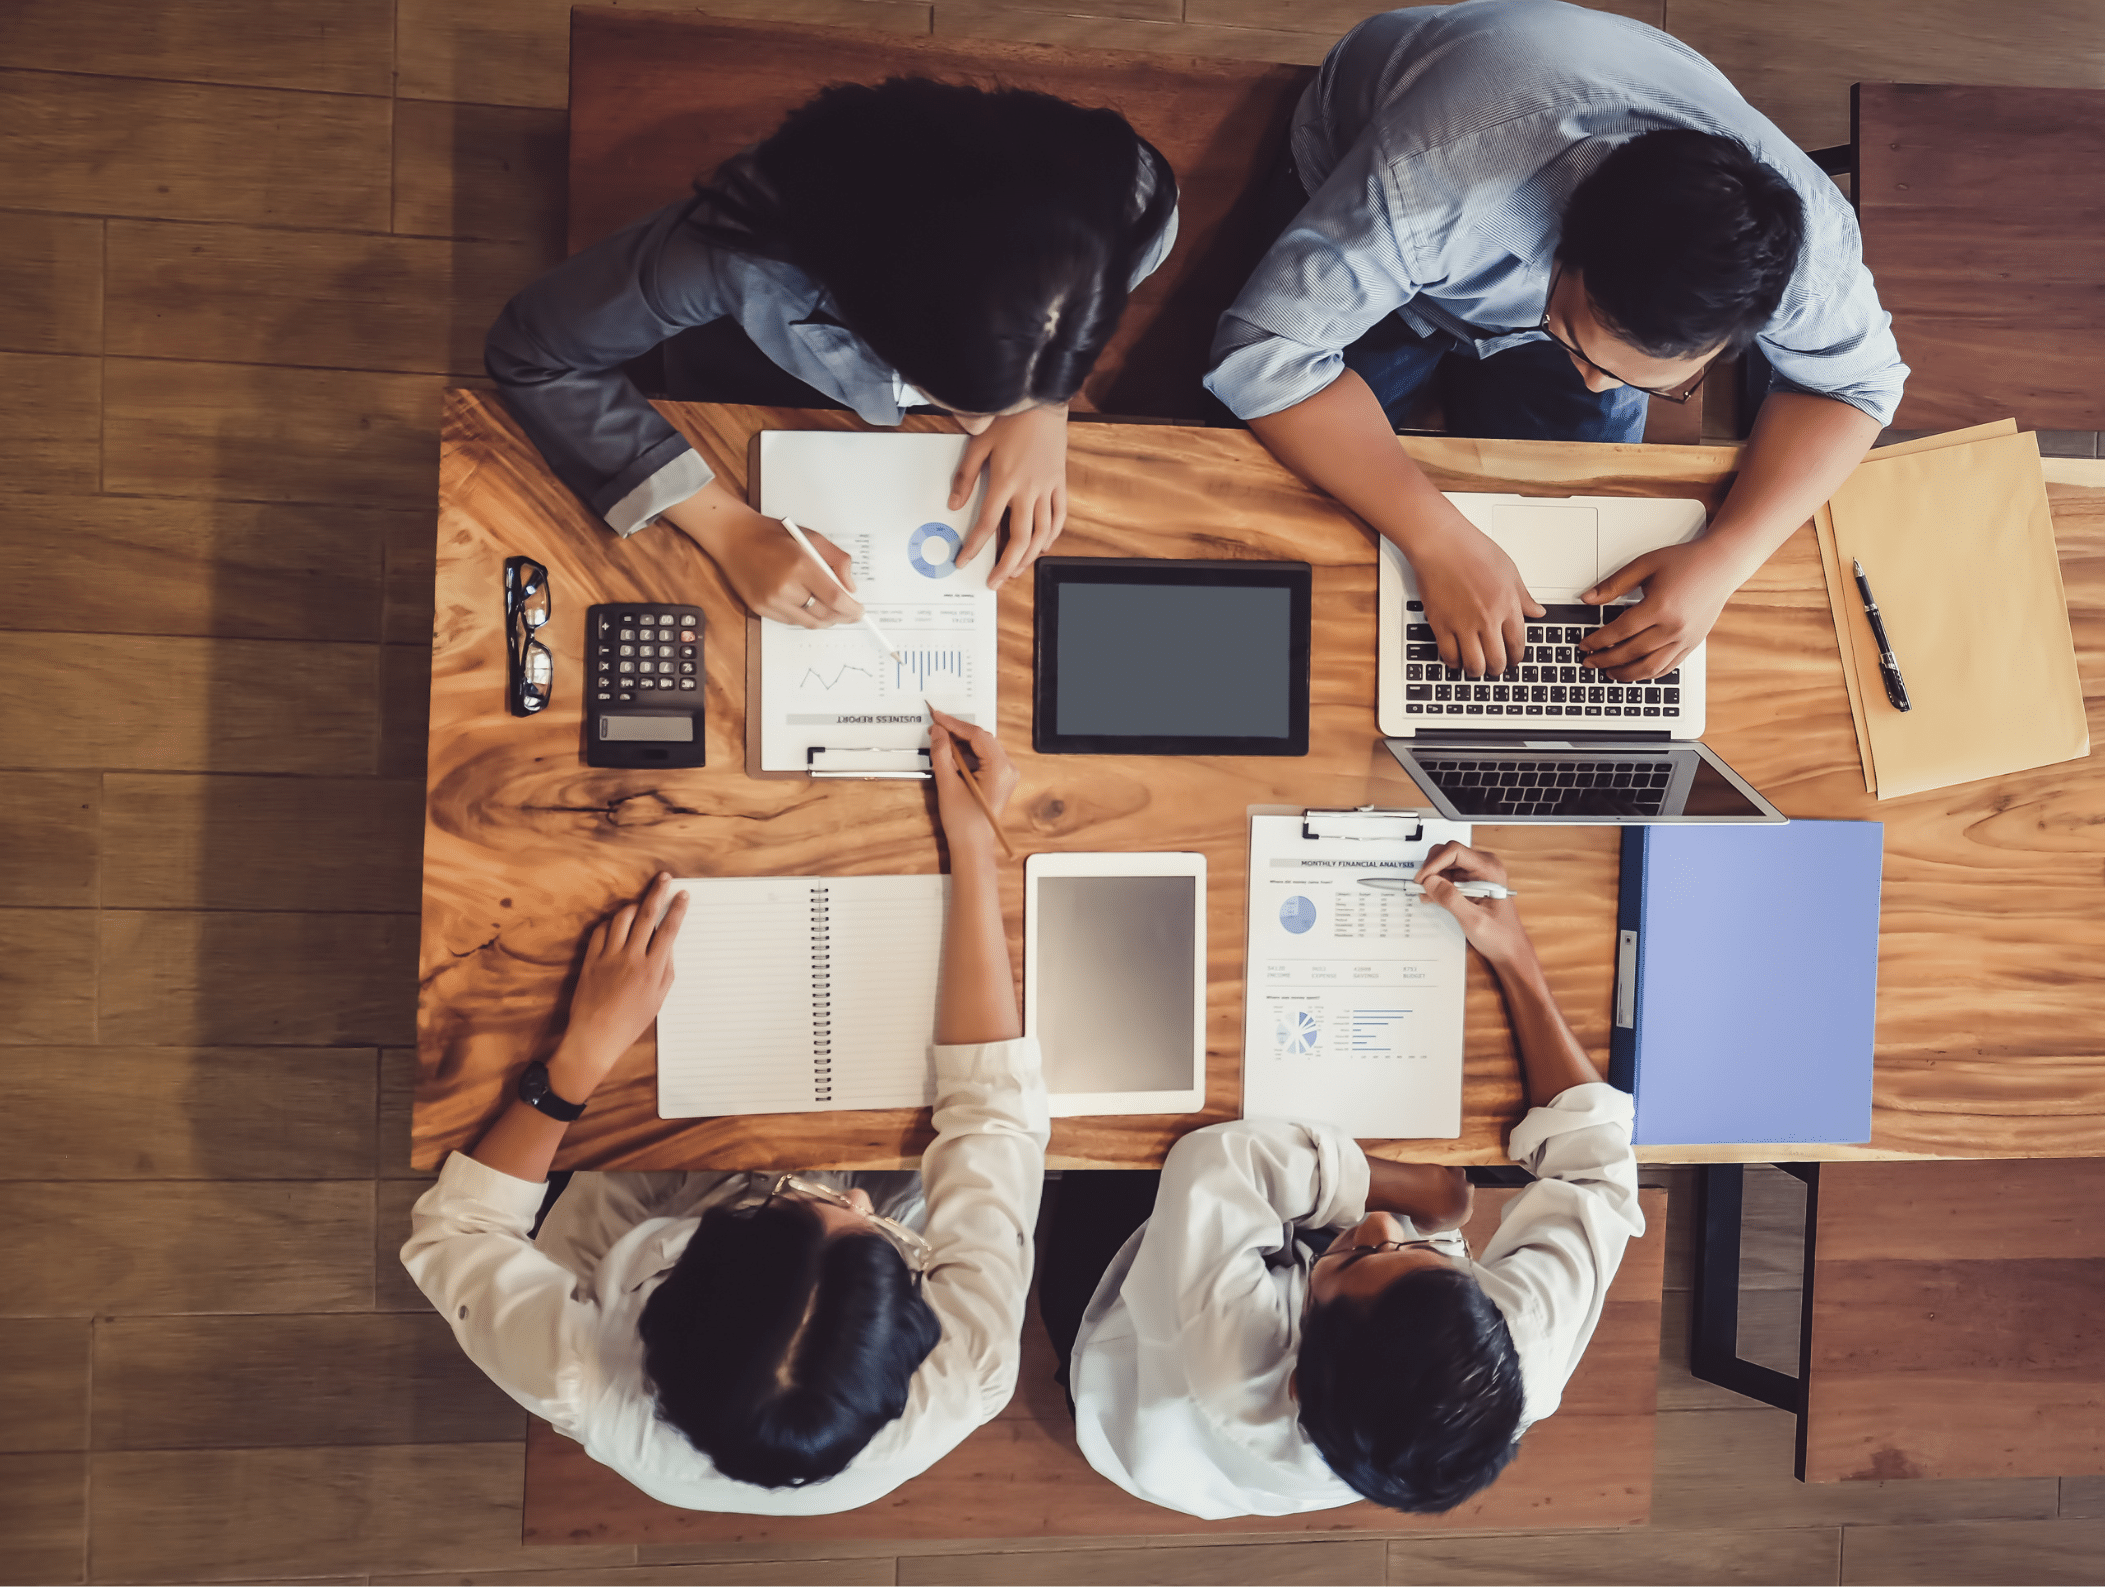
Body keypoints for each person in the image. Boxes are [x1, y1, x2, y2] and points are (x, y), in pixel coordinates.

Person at [400, 711, 1044, 1514]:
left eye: (789, 1205)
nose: (853, 1196)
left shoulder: (575, 1372)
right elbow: (992, 1112)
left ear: (672, 1289)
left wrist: (580, 1058)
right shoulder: (969, 1370)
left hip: (655, 1190)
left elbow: (454, 1233)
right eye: (865, 1228)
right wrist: (973, 846)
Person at [1208, 0, 1904, 689]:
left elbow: (1859, 388)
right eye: (1576, 343)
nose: (1595, 384)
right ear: (1560, 246)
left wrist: (1727, 556)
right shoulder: (1431, 184)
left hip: (1521, 169)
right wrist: (1434, 535)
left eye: (1656, 381)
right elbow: (1260, 352)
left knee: (1580, 536)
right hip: (1363, 155)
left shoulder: (1806, 255)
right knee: (1256, 497)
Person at [1045, 840, 1643, 1517]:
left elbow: (1213, 1162)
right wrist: (1512, 955)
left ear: (1295, 1373)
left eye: (1359, 1254)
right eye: (1426, 1254)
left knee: (1124, 1115)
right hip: (1308, 1359)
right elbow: (1596, 1163)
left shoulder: (1234, 1367)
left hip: (1128, 1369)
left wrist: (1422, 1197)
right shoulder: (1514, 1349)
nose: (1382, 1227)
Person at [487, 78, 1179, 622]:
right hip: (742, 383)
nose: (976, 425)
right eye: (957, 400)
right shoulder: (737, 255)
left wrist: (1041, 403)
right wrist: (728, 532)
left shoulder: (1131, 197)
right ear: (876, 316)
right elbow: (534, 352)